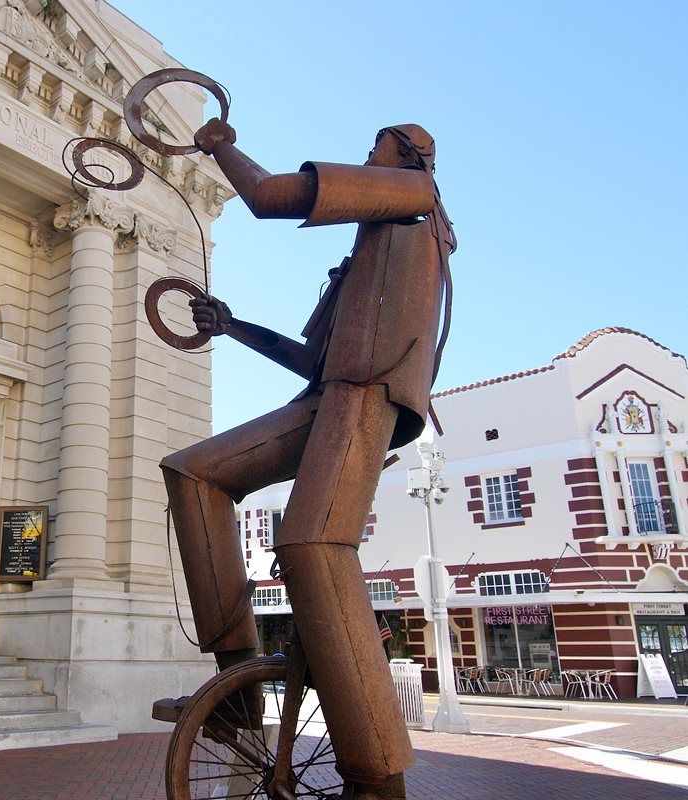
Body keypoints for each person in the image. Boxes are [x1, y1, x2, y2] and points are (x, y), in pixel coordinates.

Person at [153, 117, 454, 800]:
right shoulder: (369, 259)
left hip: (368, 393)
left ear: (409, 156)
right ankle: (237, 692)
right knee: (194, 473)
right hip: (329, 393)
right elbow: (312, 360)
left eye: (374, 149)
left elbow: (268, 195)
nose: (365, 159)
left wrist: (219, 145)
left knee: (312, 543)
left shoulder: (410, 193)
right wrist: (235, 327)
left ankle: (376, 779)